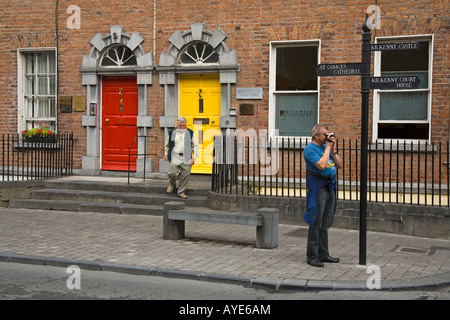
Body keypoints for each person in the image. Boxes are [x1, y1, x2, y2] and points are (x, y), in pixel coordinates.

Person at [303, 123, 343, 267]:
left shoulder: (327, 149)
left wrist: (333, 151)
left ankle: (323, 254)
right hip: (318, 188)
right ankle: (312, 257)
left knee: (325, 224)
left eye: (328, 135)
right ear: (316, 135)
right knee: (316, 223)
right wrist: (327, 148)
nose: (327, 137)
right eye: (325, 135)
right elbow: (321, 165)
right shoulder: (309, 149)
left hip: (329, 187)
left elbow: (339, 165)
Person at [164, 117, 199, 199]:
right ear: (177, 124)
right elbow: (167, 145)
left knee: (185, 175)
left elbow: (195, 145)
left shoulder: (190, 133)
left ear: (186, 124)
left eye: (184, 125)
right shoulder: (172, 132)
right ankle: (172, 184)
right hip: (174, 155)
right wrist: (166, 153)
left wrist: (194, 157)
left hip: (186, 156)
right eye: (180, 125)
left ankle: (181, 192)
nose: (182, 127)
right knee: (172, 173)